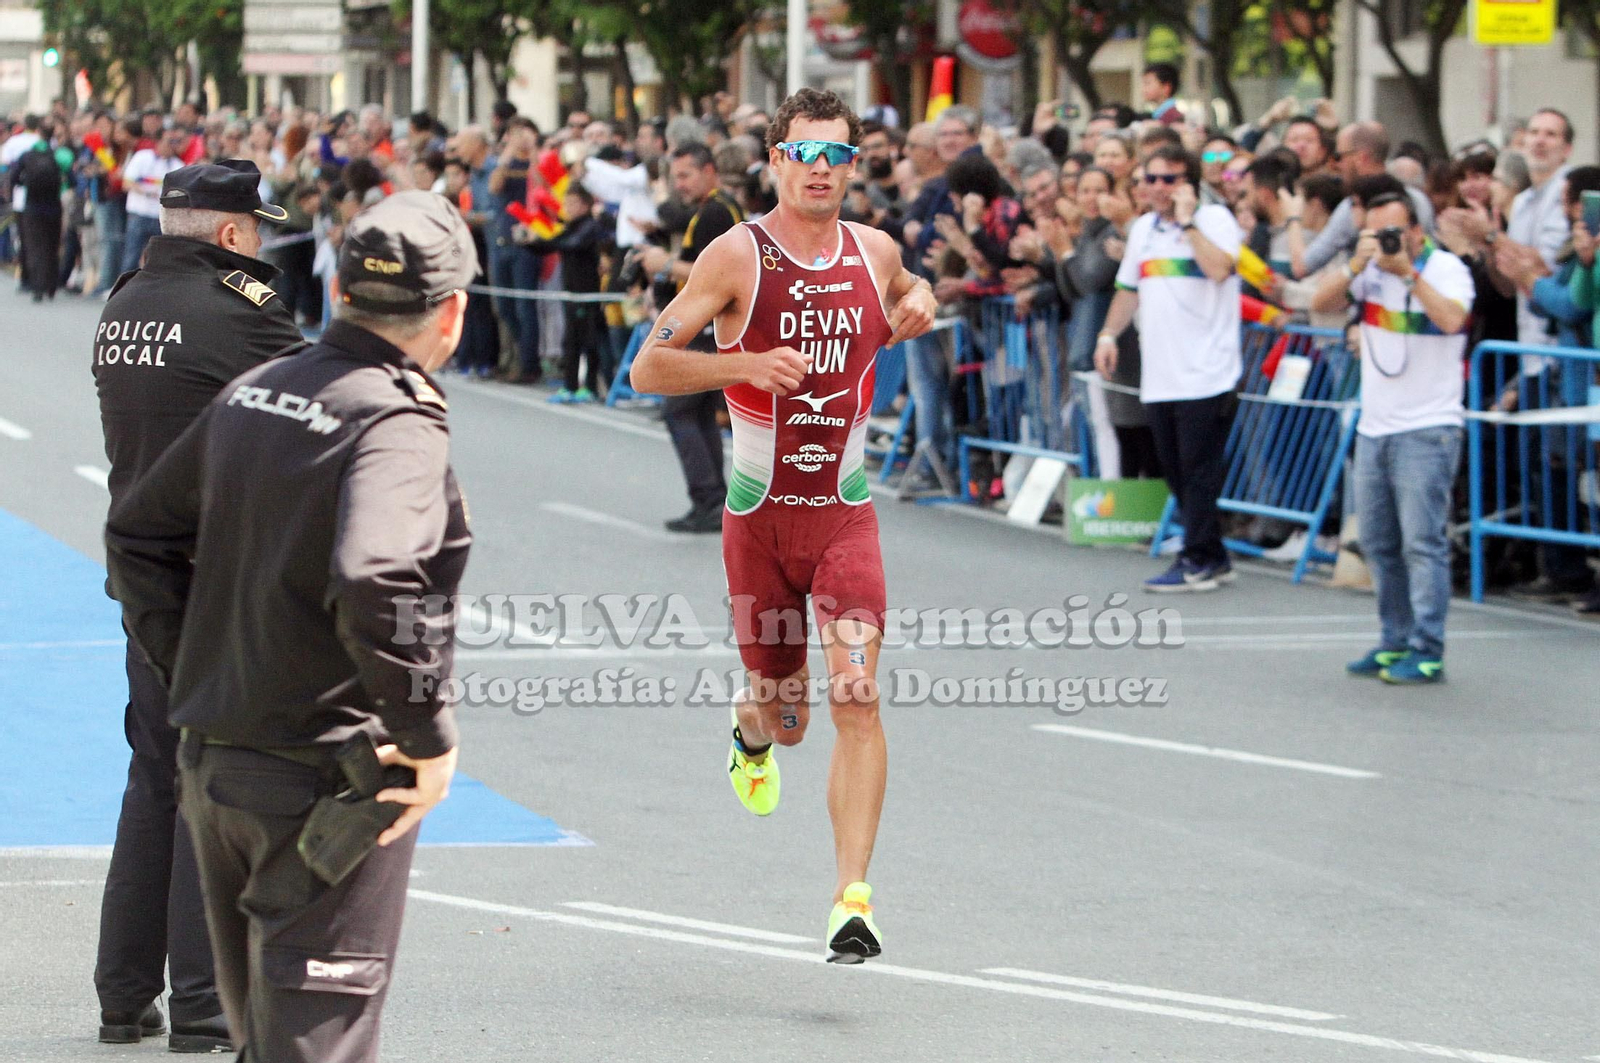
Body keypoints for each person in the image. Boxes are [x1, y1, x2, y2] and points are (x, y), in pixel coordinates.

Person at [103, 190, 473, 1062]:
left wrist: (190, 663)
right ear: (452, 313)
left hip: (221, 761)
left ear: (340, 285)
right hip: (324, 772)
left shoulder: (259, 389)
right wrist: (427, 734)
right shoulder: (392, 416)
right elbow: (376, 572)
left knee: (266, 1039)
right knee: (312, 1044)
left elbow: (136, 529)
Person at [629, 88, 936, 961]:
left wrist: (926, 300)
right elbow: (648, 365)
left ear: (854, 164)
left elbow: (912, 292)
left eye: (838, 156)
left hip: (844, 515)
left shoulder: (875, 249)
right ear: (775, 161)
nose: (823, 171)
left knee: (858, 694)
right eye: (805, 155)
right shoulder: (736, 254)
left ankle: (853, 901)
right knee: (788, 716)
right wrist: (745, 364)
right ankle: (751, 727)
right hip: (759, 522)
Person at [90, 160, 303, 1053]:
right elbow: (317, 412)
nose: (259, 240)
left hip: (142, 570)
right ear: (228, 233)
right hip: (217, 576)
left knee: (153, 774)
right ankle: (205, 1003)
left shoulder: (123, 301)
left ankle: (124, 992)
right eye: (255, 226)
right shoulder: (241, 312)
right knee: (209, 787)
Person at [1310, 193, 1474, 683]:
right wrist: (1356, 264)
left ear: (1417, 233)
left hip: (1427, 428)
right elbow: (1319, 302)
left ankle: (1427, 647)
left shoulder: (1446, 270)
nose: (1384, 243)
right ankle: (1394, 638)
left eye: (1392, 233)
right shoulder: (1367, 271)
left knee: (1422, 544)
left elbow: (1451, 319)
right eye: (1375, 232)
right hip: (1375, 425)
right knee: (1379, 542)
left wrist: (1407, 273)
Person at [1096, 145, 1243, 591]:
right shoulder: (1143, 228)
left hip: (1207, 371)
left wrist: (1188, 222)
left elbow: (1219, 269)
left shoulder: (1215, 222)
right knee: (1176, 469)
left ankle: (1196, 557)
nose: (1158, 187)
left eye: (1170, 179)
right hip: (1160, 373)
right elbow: (1128, 288)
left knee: (1198, 469)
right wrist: (1107, 335)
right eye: (1151, 178)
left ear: (1190, 182)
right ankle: (1213, 554)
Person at [638, 142, 745, 532]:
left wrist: (662, 264)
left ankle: (710, 498)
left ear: (709, 170)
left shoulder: (717, 211)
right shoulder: (715, 209)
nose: (679, 184)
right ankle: (713, 499)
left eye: (685, 175)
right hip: (710, 326)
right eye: (676, 176)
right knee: (696, 413)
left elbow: (710, 274)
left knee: (680, 411)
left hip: (705, 328)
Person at [1296, 121, 1435, 278]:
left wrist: (1292, 218)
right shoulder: (1418, 200)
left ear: (1361, 157)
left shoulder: (1352, 207)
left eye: (1339, 156)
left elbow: (1302, 266)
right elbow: (1432, 259)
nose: (1336, 165)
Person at [121, 127, 187, 274]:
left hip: (159, 217)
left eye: (175, 142)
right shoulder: (142, 157)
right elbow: (126, 183)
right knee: (131, 255)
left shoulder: (178, 166)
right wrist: (146, 191)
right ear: (159, 141)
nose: (172, 145)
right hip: (139, 213)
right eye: (169, 141)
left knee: (156, 258)